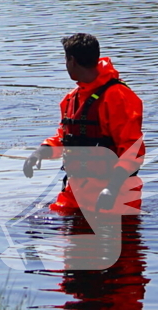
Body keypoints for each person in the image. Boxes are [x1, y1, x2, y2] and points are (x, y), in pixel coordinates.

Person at [23, 33, 145, 214]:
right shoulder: (71, 99)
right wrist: (39, 153)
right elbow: (66, 138)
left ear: (71, 60)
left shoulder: (117, 96)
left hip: (114, 198)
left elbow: (132, 150)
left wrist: (112, 188)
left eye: (65, 60)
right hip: (75, 194)